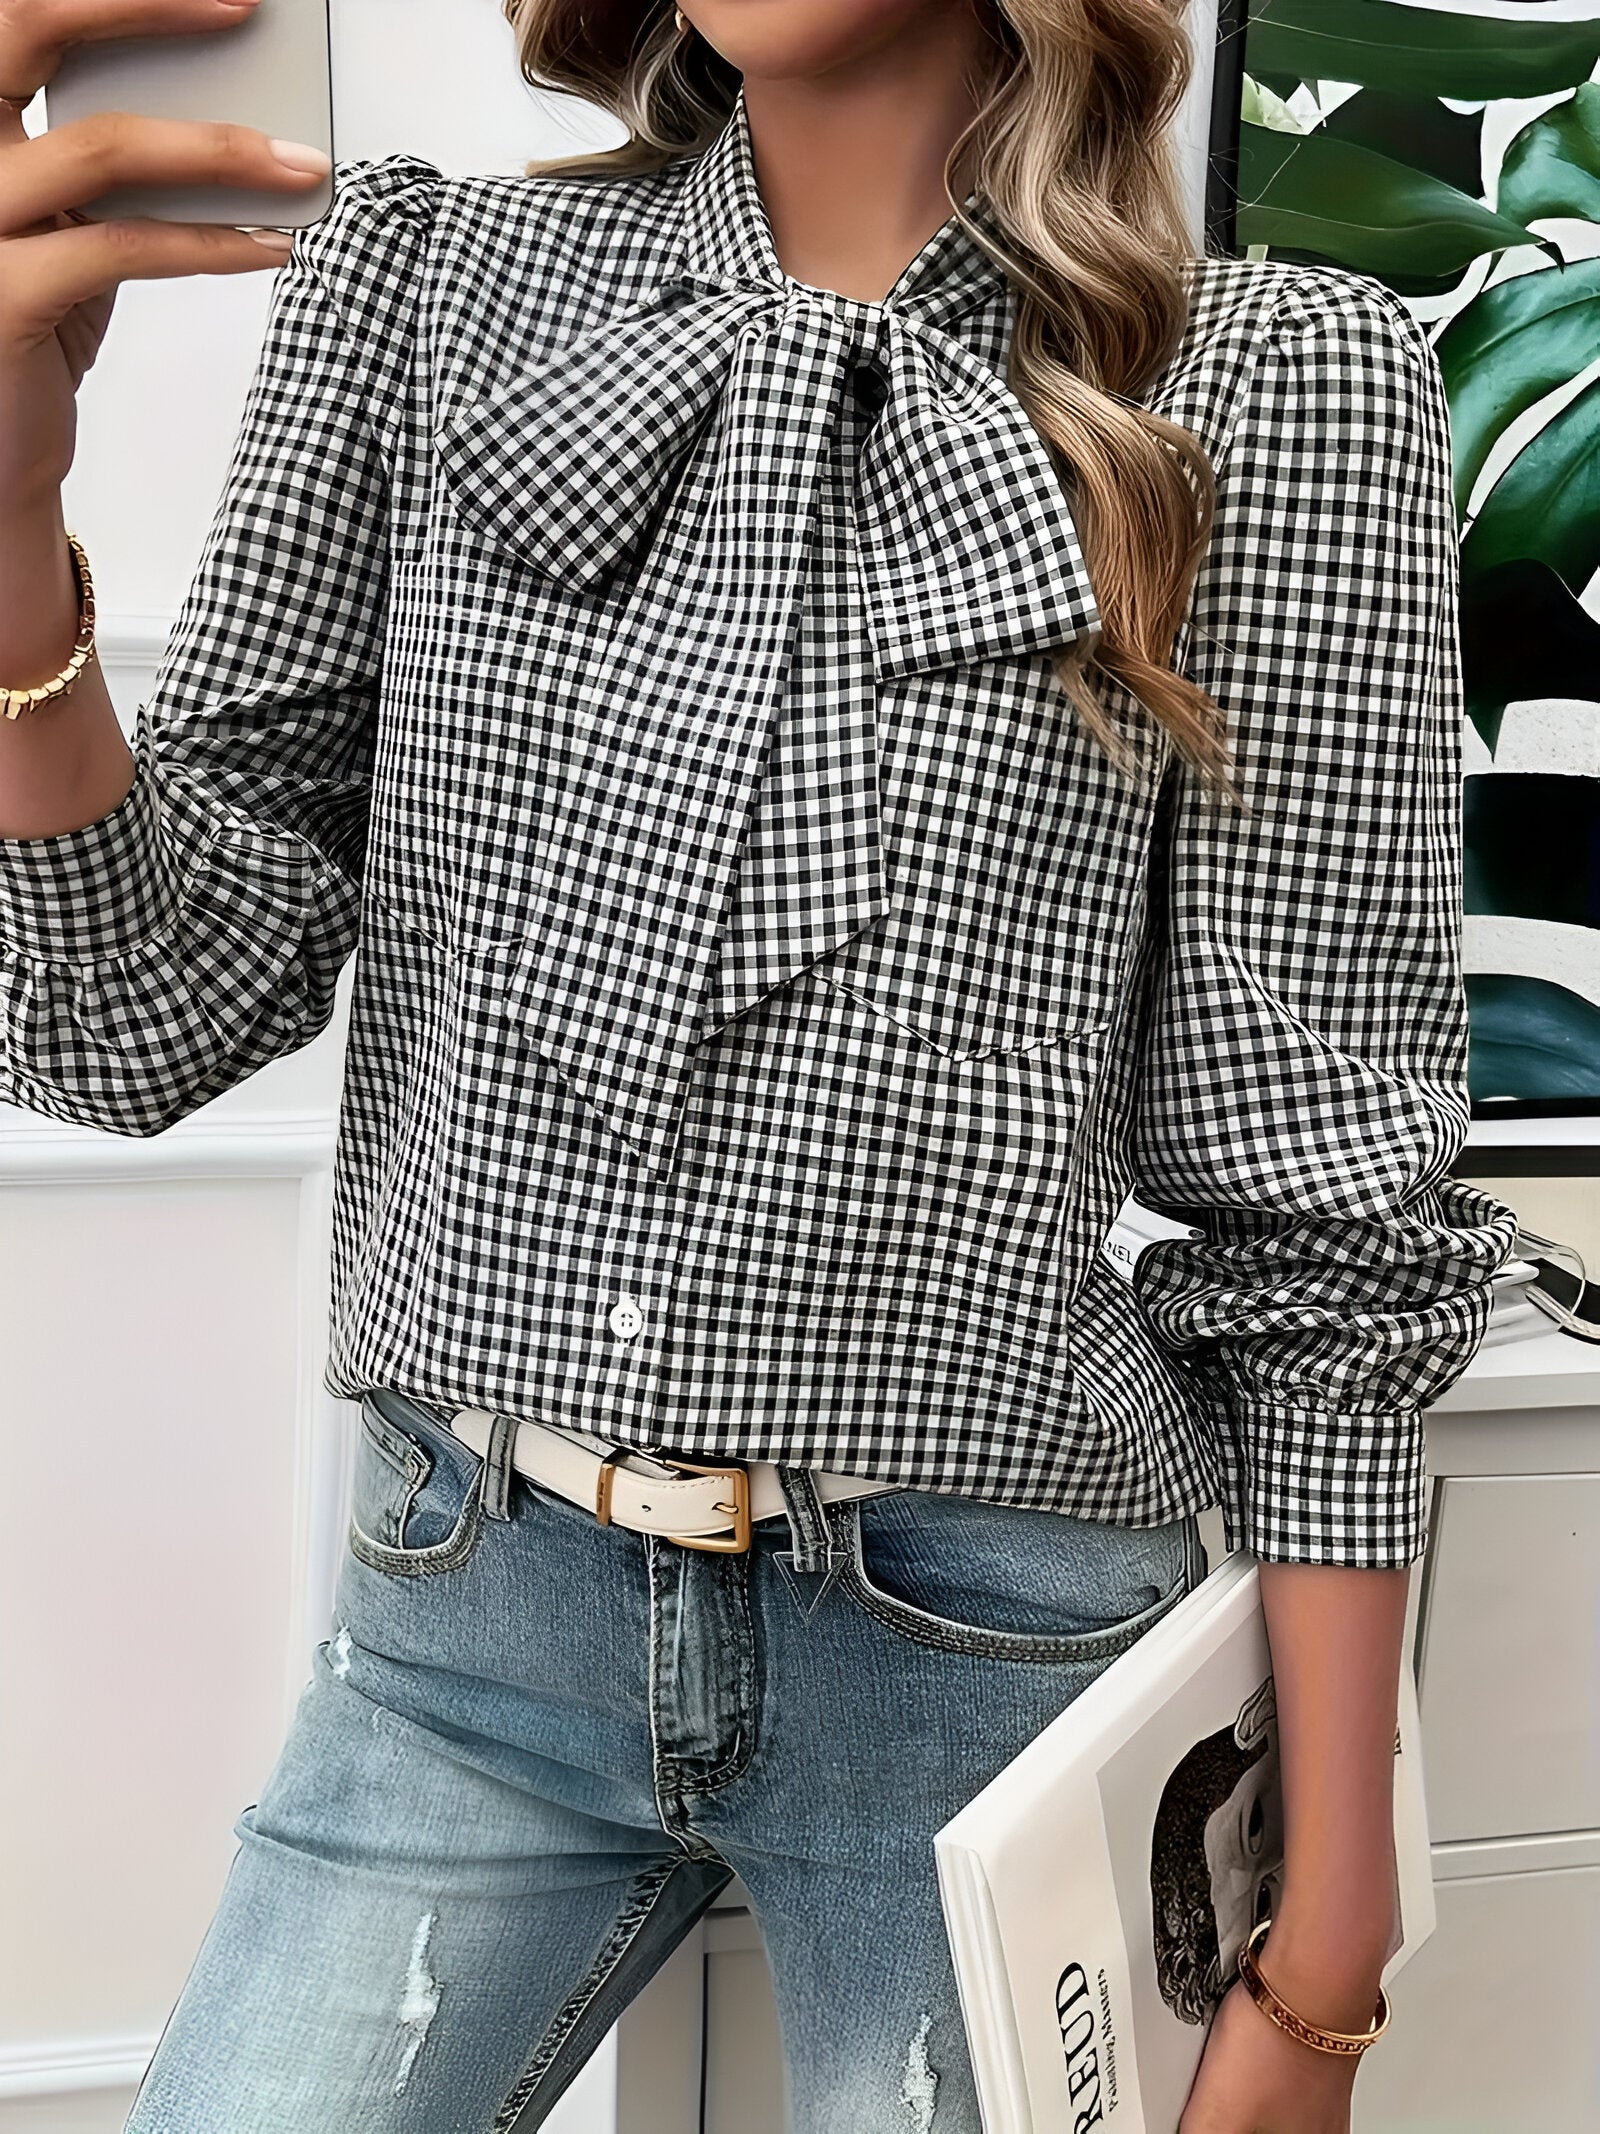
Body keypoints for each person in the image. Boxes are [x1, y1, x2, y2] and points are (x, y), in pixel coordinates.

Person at [0, 0, 1519, 2126]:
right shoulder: (424, 288)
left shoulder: (1273, 380)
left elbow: (1319, 1209)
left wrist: (1322, 1951)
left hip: (983, 1650)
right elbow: (133, 1028)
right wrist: (13, 543)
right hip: (465, 1613)